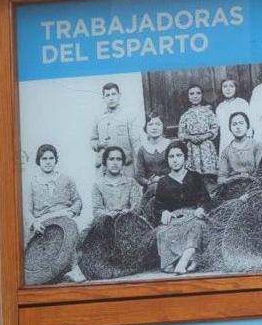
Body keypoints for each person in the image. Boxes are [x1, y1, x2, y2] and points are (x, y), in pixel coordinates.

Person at [154, 140, 211, 274]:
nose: (175, 160)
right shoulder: (163, 182)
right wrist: (164, 212)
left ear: (185, 158)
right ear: (167, 160)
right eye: (171, 156)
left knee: (197, 226)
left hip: (192, 217)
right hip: (175, 219)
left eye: (179, 156)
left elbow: (206, 200)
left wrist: (201, 208)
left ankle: (184, 260)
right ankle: (190, 260)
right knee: (162, 231)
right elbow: (158, 206)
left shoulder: (195, 177)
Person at [25, 143, 82, 240]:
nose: (48, 162)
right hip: (43, 225)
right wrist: (34, 223)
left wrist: (71, 213)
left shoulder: (67, 179)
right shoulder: (32, 183)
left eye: (51, 158)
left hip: (65, 221)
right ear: (38, 160)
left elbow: (77, 201)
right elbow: (27, 210)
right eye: (44, 159)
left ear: (56, 160)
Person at [89, 82, 142, 173]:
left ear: (119, 95)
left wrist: (139, 170)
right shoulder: (99, 118)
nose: (111, 98)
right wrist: (98, 144)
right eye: (107, 95)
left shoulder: (128, 116)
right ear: (103, 98)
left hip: (125, 167)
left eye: (114, 94)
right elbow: (92, 140)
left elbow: (136, 144)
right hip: (104, 167)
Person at [178, 84, 220, 187]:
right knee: (194, 178)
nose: (195, 96)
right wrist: (190, 137)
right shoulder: (185, 115)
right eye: (192, 94)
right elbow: (181, 133)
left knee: (209, 178)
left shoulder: (208, 112)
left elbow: (215, 128)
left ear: (202, 95)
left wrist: (205, 136)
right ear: (188, 97)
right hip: (192, 149)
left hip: (206, 147)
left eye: (198, 93)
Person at [92, 146, 144, 217]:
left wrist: (129, 211)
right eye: (111, 159)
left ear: (123, 163)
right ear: (105, 162)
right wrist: (107, 214)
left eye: (118, 159)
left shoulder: (131, 182)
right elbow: (97, 209)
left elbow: (137, 205)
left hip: (128, 220)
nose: (115, 163)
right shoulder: (98, 184)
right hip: (106, 222)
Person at [217, 112, 262, 184]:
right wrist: (234, 178)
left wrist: (249, 178)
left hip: (254, 186)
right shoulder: (226, 151)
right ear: (230, 128)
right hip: (233, 187)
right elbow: (221, 178)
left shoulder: (257, 145)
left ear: (247, 125)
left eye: (241, 123)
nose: (238, 127)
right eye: (234, 124)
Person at [214, 78, 251, 154]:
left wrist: (249, 137)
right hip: (226, 140)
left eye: (231, 86)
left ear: (235, 88)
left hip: (243, 139)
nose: (228, 89)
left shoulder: (242, 103)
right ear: (221, 90)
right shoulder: (220, 107)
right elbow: (220, 127)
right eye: (225, 87)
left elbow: (250, 123)